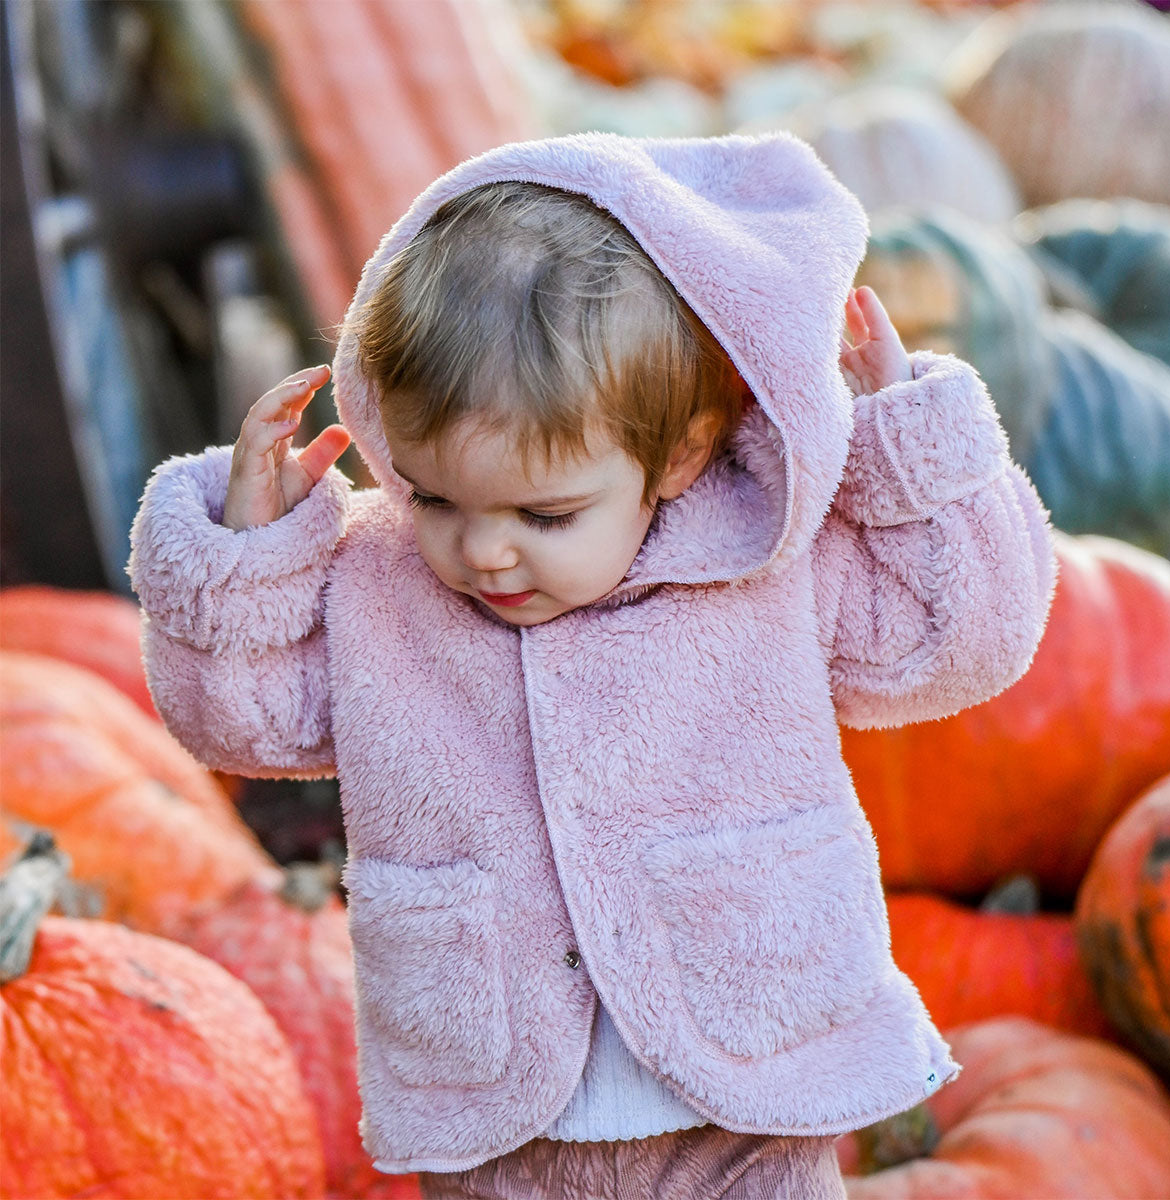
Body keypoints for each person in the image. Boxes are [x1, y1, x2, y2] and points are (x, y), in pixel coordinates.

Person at [128, 133, 1057, 1200]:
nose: (483, 550)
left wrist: (909, 443)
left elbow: (961, 642)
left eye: (546, 512)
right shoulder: (378, 584)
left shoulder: (762, 558)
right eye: (432, 496)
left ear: (681, 451)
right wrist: (247, 559)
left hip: (745, 1083)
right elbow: (246, 726)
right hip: (498, 1101)